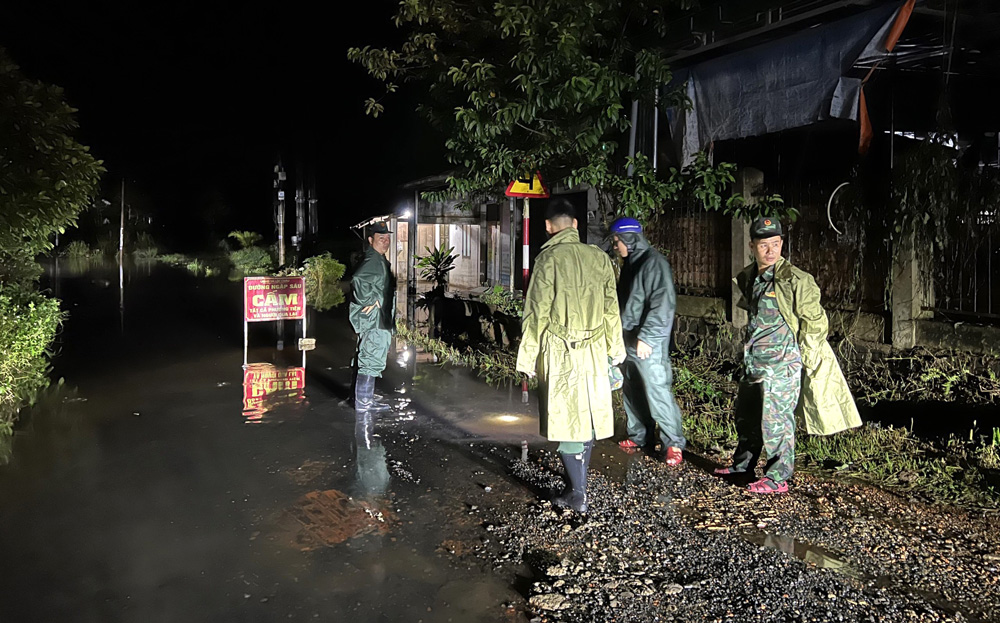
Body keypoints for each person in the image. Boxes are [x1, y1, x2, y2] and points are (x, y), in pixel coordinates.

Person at [715, 216, 861, 493]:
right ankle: (742, 465)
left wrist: (804, 356)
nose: (771, 250)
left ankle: (777, 477)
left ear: (782, 244)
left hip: (783, 364)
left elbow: (816, 323)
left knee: (777, 421)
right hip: (754, 361)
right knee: (747, 416)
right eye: (764, 245)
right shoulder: (752, 278)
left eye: (776, 244)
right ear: (752, 246)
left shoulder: (796, 280)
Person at [516, 199, 626, 513]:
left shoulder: (547, 260)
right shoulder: (599, 258)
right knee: (587, 418)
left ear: (549, 227)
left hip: (559, 350)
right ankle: (578, 486)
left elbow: (535, 314)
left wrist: (527, 358)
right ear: (575, 225)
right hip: (594, 350)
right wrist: (615, 353)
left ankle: (578, 494)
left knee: (566, 420)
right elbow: (611, 311)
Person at [609, 217, 686, 466]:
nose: (615, 246)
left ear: (628, 239)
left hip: (646, 342)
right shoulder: (633, 263)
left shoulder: (654, 263)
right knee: (632, 390)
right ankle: (639, 436)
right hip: (628, 340)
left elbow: (663, 302)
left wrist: (648, 337)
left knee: (657, 390)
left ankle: (673, 443)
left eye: (617, 241)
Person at [350, 221, 396, 412]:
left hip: (377, 319)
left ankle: (365, 398)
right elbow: (358, 280)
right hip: (375, 321)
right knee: (370, 358)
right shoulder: (373, 260)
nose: (385, 242)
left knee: (370, 356)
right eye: (381, 238)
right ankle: (364, 403)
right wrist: (374, 299)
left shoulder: (377, 258)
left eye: (387, 238)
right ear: (371, 240)